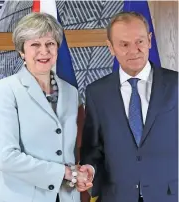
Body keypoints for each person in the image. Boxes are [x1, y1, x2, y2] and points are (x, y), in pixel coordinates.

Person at [77, 12, 178, 202]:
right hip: (116, 196)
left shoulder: (176, 85)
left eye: (140, 41)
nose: (134, 50)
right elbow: (93, 148)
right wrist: (89, 169)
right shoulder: (96, 92)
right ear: (111, 47)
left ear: (149, 40)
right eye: (124, 44)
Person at [0, 12, 88, 202]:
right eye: (35, 45)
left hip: (66, 196)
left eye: (50, 44)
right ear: (22, 51)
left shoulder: (71, 92)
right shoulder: (6, 90)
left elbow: (71, 151)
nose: (44, 51)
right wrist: (64, 173)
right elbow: (6, 157)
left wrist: (80, 176)